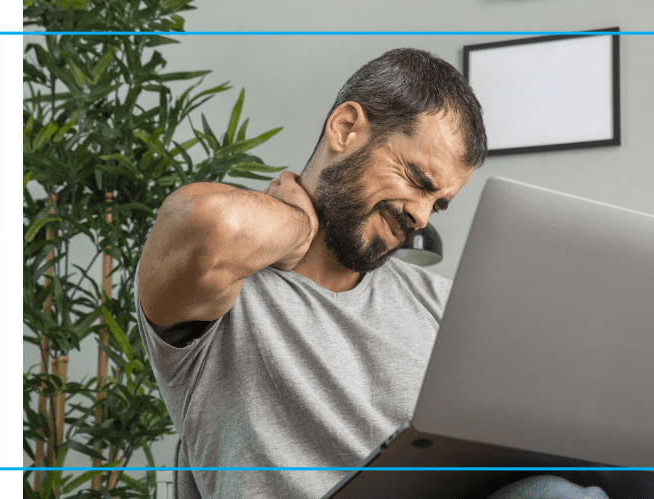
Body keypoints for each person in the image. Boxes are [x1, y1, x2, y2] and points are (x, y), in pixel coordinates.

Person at [135, 48, 609, 499]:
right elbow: (209, 224)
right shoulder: (226, 289)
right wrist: (300, 225)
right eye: (418, 182)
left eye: (437, 204)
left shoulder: (439, 305)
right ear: (345, 128)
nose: (422, 217)